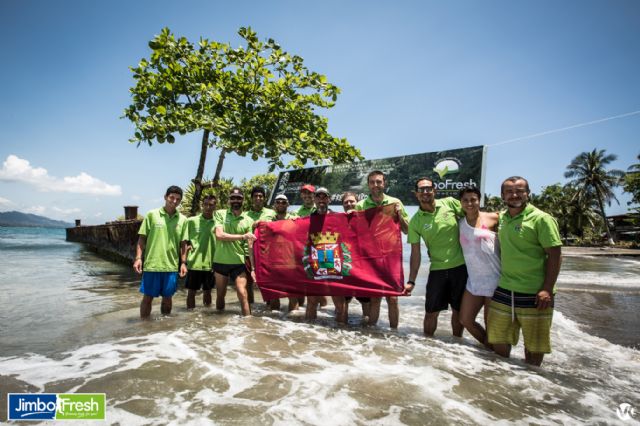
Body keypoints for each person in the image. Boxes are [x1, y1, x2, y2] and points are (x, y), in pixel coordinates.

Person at [487, 176, 562, 366]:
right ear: (502, 195)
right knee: (498, 339)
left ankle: (531, 383)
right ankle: (506, 380)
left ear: (528, 193)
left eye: (519, 191)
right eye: (509, 191)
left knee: (534, 346)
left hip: (535, 292)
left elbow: (556, 255)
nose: (514, 195)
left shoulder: (541, 219)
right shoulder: (502, 218)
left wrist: (547, 288)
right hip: (504, 288)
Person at [406, 177, 467, 337]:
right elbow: (415, 253)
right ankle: (428, 346)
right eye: (421, 189)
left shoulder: (450, 203)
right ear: (416, 194)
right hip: (437, 270)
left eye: (428, 188)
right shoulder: (415, 222)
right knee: (431, 312)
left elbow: (473, 216)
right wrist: (411, 281)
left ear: (435, 190)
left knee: (458, 311)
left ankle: (458, 347)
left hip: (460, 267)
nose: (425, 192)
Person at [355, 171, 409, 329]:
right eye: (372, 182)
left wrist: (399, 215)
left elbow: (406, 230)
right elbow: (355, 233)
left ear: (384, 183)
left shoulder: (395, 202)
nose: (375, 185)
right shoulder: (361, 206)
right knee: (375, 298)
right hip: (371, 258)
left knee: (393, 298)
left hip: (391, 257)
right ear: (368, 184)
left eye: (378, 182)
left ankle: (394, 334)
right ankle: (372, 335)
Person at [134, 185, 187, 319]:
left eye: (178, 199)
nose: (174, 201)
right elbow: (142, 238)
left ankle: (165, 329)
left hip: (171, 266)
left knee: (168, 299)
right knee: (148, 298)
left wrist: (183, 263)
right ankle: (144, 328)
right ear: (165, 197)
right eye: (172, 197)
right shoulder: (152, 215)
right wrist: (138, 258)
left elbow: (183, 244)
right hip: (152, 265)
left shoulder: (183, 220)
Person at [457, 186, 500, 347]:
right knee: (465, 319)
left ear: (479, 200)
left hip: (495, 279)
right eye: (465, 200)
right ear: (460, 202)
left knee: (492, 327)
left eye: (473, 199)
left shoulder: (494, 218)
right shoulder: (460, 223)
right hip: (474, 280)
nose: (470, 203)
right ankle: (488, 351)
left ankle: (496, 361)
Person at [213, 187, 257, 316]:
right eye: (233, 198)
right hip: (220, 261)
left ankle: (249, 323)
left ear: (243, 200)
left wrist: (253, 269)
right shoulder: (220, 214)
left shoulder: (248, 221)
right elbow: (219, 235)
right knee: (220, 295)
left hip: (238, 263)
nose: (235, 200)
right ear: (229, 200)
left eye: (238, 198)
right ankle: (219, 323)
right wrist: (242, 236)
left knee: (243, 293)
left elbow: (249, 246)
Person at [180, 194, 217, 310]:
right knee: (191, 292)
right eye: (205, 204)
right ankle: (190, 318)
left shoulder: (219, 223)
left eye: (211, 205)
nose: (208, 207)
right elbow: (184, 242)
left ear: (215, 206)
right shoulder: (191, 221)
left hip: (211, 264)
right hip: (194, 263)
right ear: (202, 205)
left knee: (208, 292)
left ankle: (208, 317)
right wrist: (183, 262)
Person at [339, 191, 371, 323]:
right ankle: (341, 333)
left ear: (357, 202)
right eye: (346, 202)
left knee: (366, 302)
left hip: (362, 267)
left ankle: (369, 332)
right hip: (345, 266)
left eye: (352, 201)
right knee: (343, 301)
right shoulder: (338, 219)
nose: (349, 204)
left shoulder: (366, 219)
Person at [267, 194, 300, 311]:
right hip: (274, 261)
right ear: (274, 205)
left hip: (290, 260)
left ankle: (294, 324)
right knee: (274, 296)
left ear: (288, 204)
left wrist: (298, 222)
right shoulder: (268, 221)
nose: (281, 204)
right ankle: (274, 324)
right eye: (278, 202)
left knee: (293, 295)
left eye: (283, 202)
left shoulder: (295, 219)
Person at [305, 186, 333, 320]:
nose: (321, 199)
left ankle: (339, 335)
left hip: (334, 261)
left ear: (330, 199)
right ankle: (309, 336)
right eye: (318, 197)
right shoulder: (307, 219)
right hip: (315, 261)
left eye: (324, 196)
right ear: (314, 199)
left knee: (340, 302)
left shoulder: (339, 217)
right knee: (311, 301)